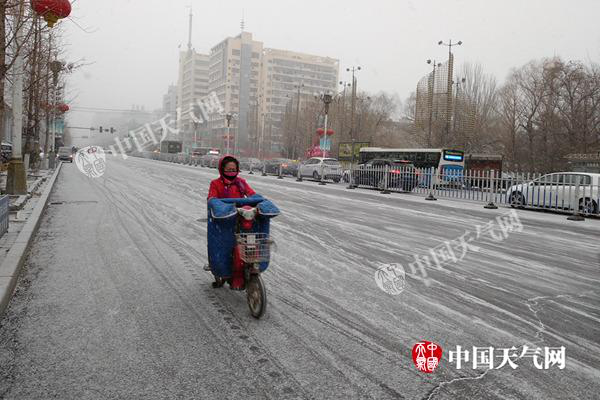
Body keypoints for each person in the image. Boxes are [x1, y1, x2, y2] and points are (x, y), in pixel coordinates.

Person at [205, 155, 257, 285]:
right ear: (222, 170)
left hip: (241, 217)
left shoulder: (241, 182)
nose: (231, 172)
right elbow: (212, 199)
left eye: (234, 169)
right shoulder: (215, 183)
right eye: (228, 170)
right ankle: (220, 269)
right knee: (224, 245)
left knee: (249, 242)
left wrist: (259, 201)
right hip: (224, 220)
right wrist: (219, 206)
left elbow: (251, 194)